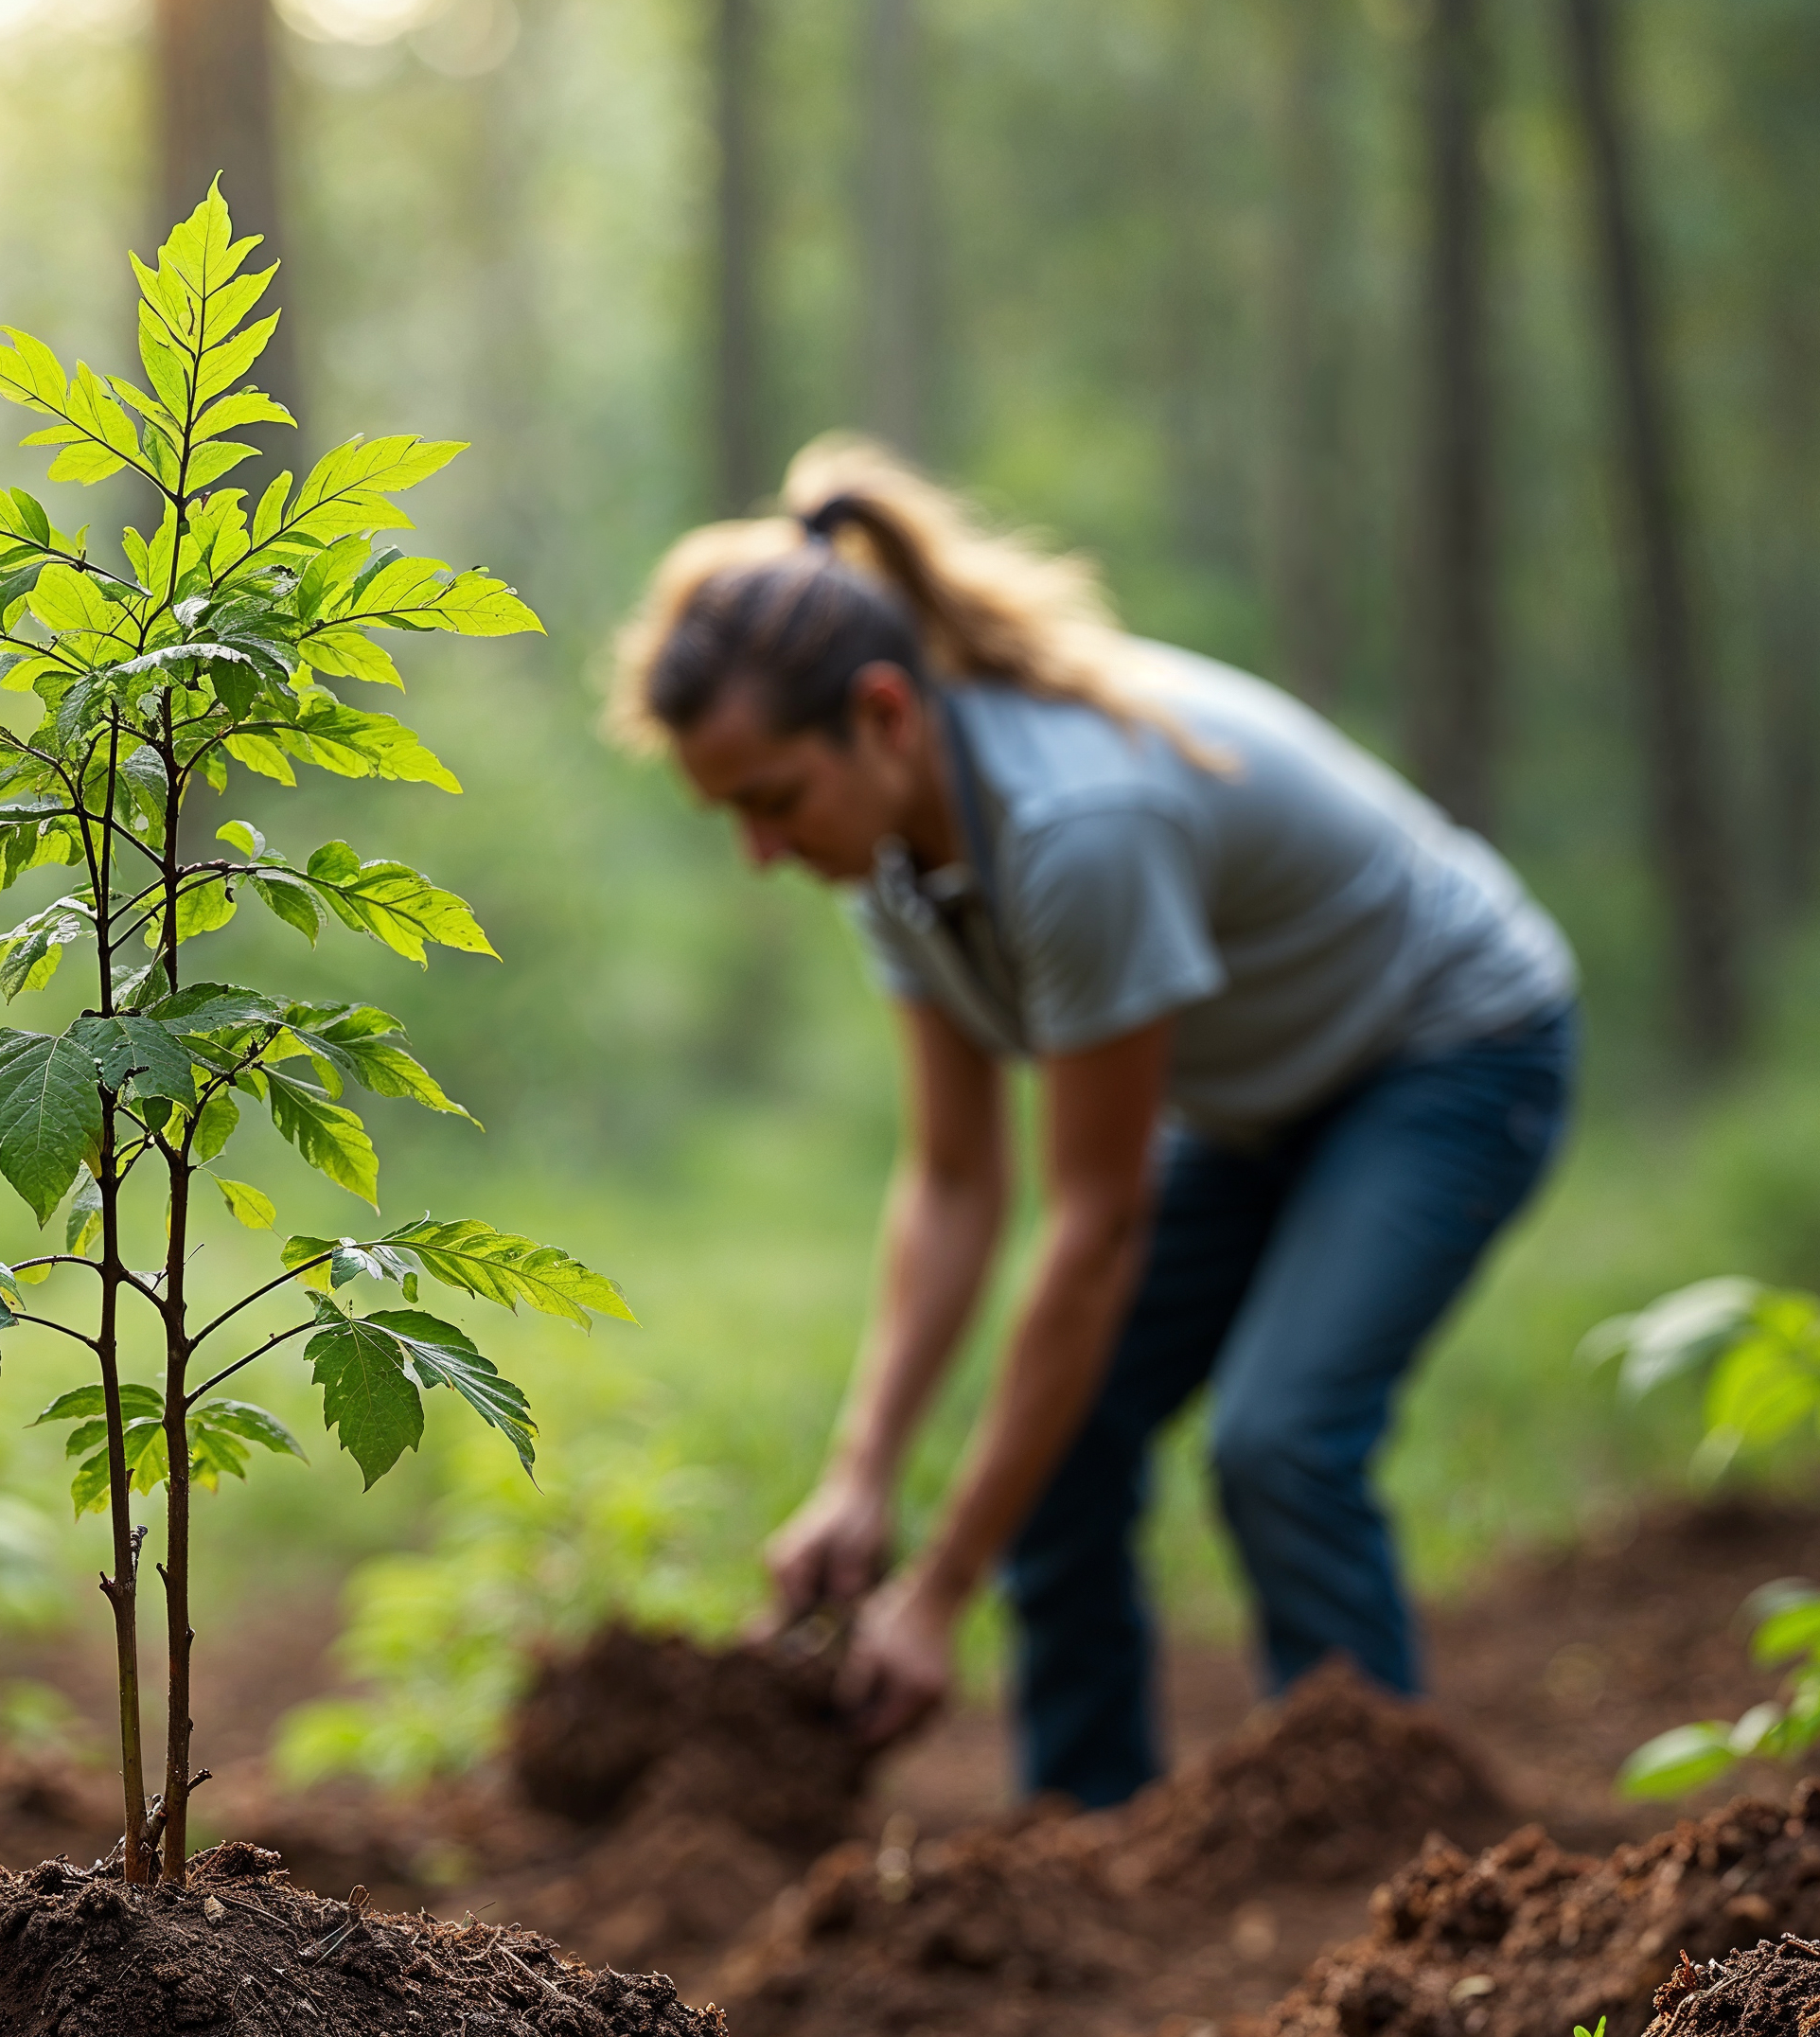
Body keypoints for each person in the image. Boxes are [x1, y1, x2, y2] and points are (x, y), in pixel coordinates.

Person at [613, 442, 1579, 1808]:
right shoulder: (890, 853)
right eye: (729, 815)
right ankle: (1089, 1839)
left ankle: (1383, 1850)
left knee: (1281, 1440)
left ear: (882, 715)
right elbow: (954, 1183)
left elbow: (1094, 1222)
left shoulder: (1079, 824)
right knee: (1059, 1438)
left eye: (772, 800)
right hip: (1262, 1093)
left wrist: (941, 1592)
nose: (759, 851)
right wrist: (862, 1476)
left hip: (1450, 1048)